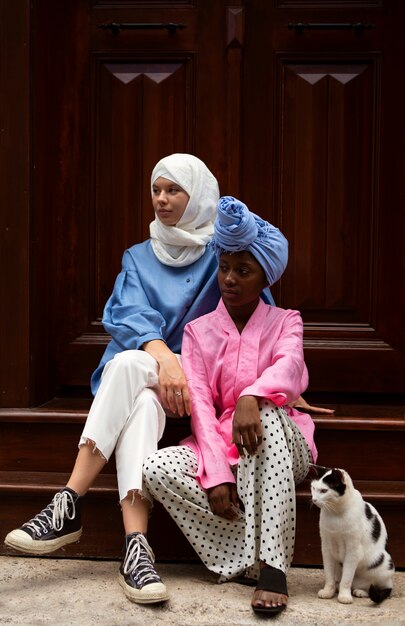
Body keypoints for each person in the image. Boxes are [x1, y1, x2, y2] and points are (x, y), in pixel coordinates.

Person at [4, 155, 289, 605]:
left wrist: (271, 384)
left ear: (197, 196)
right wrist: (162, 357)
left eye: (173, 190)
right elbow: (127, 312)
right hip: (149, 373)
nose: (161, 199)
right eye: (156, 189)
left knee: (125, 367)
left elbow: (258, 316)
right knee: (132, 380)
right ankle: (137, 549)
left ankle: (70, 500)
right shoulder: (138, 256)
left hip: (194, 382)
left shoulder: (225, 254)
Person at [143, 195, 318, 616]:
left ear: (265, 278)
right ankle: (245, 555)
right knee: (156, 469)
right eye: (224, 268)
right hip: (224, 443)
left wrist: (250, 396)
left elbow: (292, 367)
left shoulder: (286, 321)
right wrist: (218, 472)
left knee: (270, 414)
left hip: (280, 445)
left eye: (243, 271)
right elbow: (200, 403)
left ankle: (274, 569)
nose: (229, 279)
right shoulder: (198, 331)